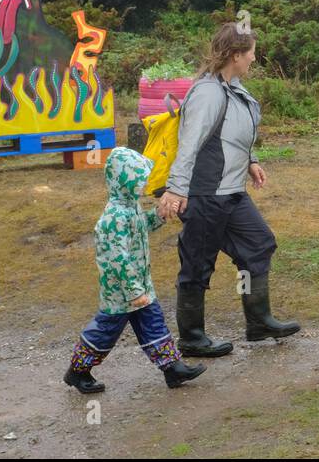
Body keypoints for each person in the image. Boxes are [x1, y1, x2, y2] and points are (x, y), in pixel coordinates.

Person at [157, 23, 300, 356]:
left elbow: (232, 132)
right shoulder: (208, 93)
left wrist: (250, 160)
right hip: (205, 193)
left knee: (258, 244)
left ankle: (259, 322)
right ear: (236, 55)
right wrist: (177, 189)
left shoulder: (230, 87)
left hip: (231, 191)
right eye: (250, 52)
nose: (253, 58)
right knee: (197, 263)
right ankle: (192, 339)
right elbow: (189, 143)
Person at [63, 147, 206, 393]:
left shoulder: (131, 207)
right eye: (138, 180)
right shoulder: (114, 217)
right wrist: (133, 291)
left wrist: (160, 216)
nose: (143, 185)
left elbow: (142, 227)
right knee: (104, 333)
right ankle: (77, 371)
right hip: (121, 293)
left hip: (140, 286)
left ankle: (172, 368)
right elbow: (118, 258)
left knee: (154, 323)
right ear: (123, 180)